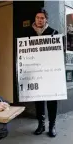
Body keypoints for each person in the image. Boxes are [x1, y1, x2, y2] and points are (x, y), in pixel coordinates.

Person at [24, 8, 59, 137]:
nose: (39, 20)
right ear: (35, 19)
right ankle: (41, 124)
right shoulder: (27, 33)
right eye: (38, 17)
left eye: (42, 18)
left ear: (46, 19)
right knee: (38, 100)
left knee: (51, 100)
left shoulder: (53, 33)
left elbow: (59, 54)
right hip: (35, 72)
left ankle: (52, 125)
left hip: (50, 73)